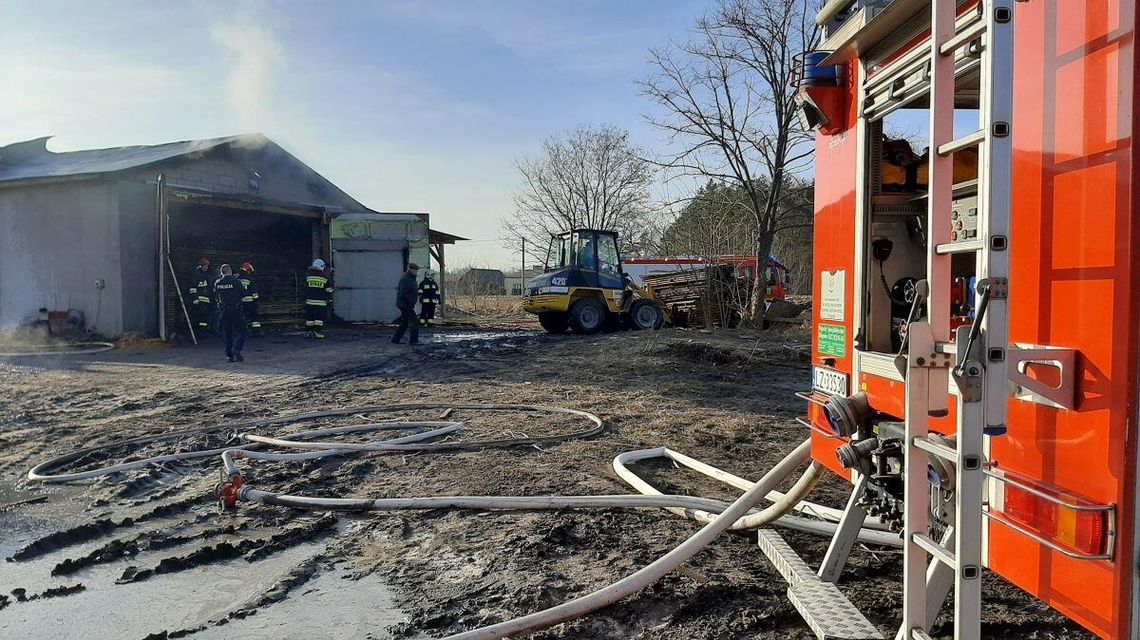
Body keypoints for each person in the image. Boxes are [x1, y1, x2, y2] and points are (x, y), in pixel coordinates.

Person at [214, 264, 245, 362]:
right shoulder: (236, 282)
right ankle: (237, 349)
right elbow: (243, 293)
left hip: (224, 311)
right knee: (241, 331)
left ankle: (229, 355)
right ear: (230, 271)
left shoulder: (218, 283)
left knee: (227, 333)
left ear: (221, 272)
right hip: (235, 310)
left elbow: (215, 295)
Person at [392, 262, 420, 345]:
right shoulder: (406, 278)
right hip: (405, 304)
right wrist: (411, 301)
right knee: (414, 322)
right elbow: (403, 293)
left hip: (405, 303)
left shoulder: (410, 278)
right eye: (416, 270)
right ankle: (413, 341)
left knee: (405, 322)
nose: (416, 272)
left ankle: (395, 339)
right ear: (411, 269)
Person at [304, 259, 333, 339]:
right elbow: (329, 291)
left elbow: (305, 288)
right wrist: (330, 300)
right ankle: (317, 332)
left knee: (309, 317)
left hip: (309, 302)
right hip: (321, 302)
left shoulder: (308, 277)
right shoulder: (325, 279)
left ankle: (308, 331)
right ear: (321, 267)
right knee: (319, 318)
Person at [189, 257, 213, 333]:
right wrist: (195, 299)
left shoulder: (207, 275)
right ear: (200, 266)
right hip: (199, 301)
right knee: (199, 318)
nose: (206, 268)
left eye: (206, 266)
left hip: (206, 301)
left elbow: (210, 287)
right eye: (204, 266)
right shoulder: (195, 275)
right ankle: (200, 332)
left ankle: (203, 331)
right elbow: (192, 288)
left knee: (205, 317)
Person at [238, 262, 261, 332]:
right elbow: (254, 292)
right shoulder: (250, 279)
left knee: (242, 317)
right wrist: (256, 301)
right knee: (255, 317)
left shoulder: (237, 279)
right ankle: (256, 331)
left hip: (240, 303)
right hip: (250, 302)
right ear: (248, 270)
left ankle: (242, 331)